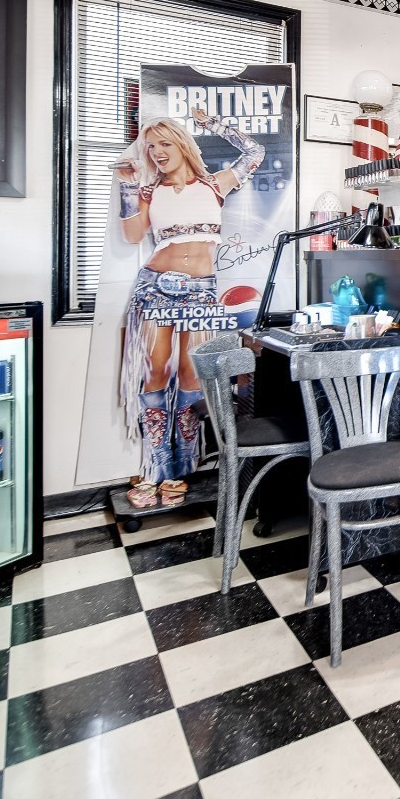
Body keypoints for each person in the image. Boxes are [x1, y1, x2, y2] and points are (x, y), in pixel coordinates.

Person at [115, 108, 264, 506]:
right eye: (151, 147)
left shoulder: (215, 184)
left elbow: (255, 152)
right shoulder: (149, 191)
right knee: (154, 374)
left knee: (190, 376)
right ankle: (155, 467)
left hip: (200, 291)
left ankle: (180, 468)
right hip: (155, 288)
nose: (158, 152)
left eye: (165, 143)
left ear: (182, 144)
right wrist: (128, 186)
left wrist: (212, 123)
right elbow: (132, 235)